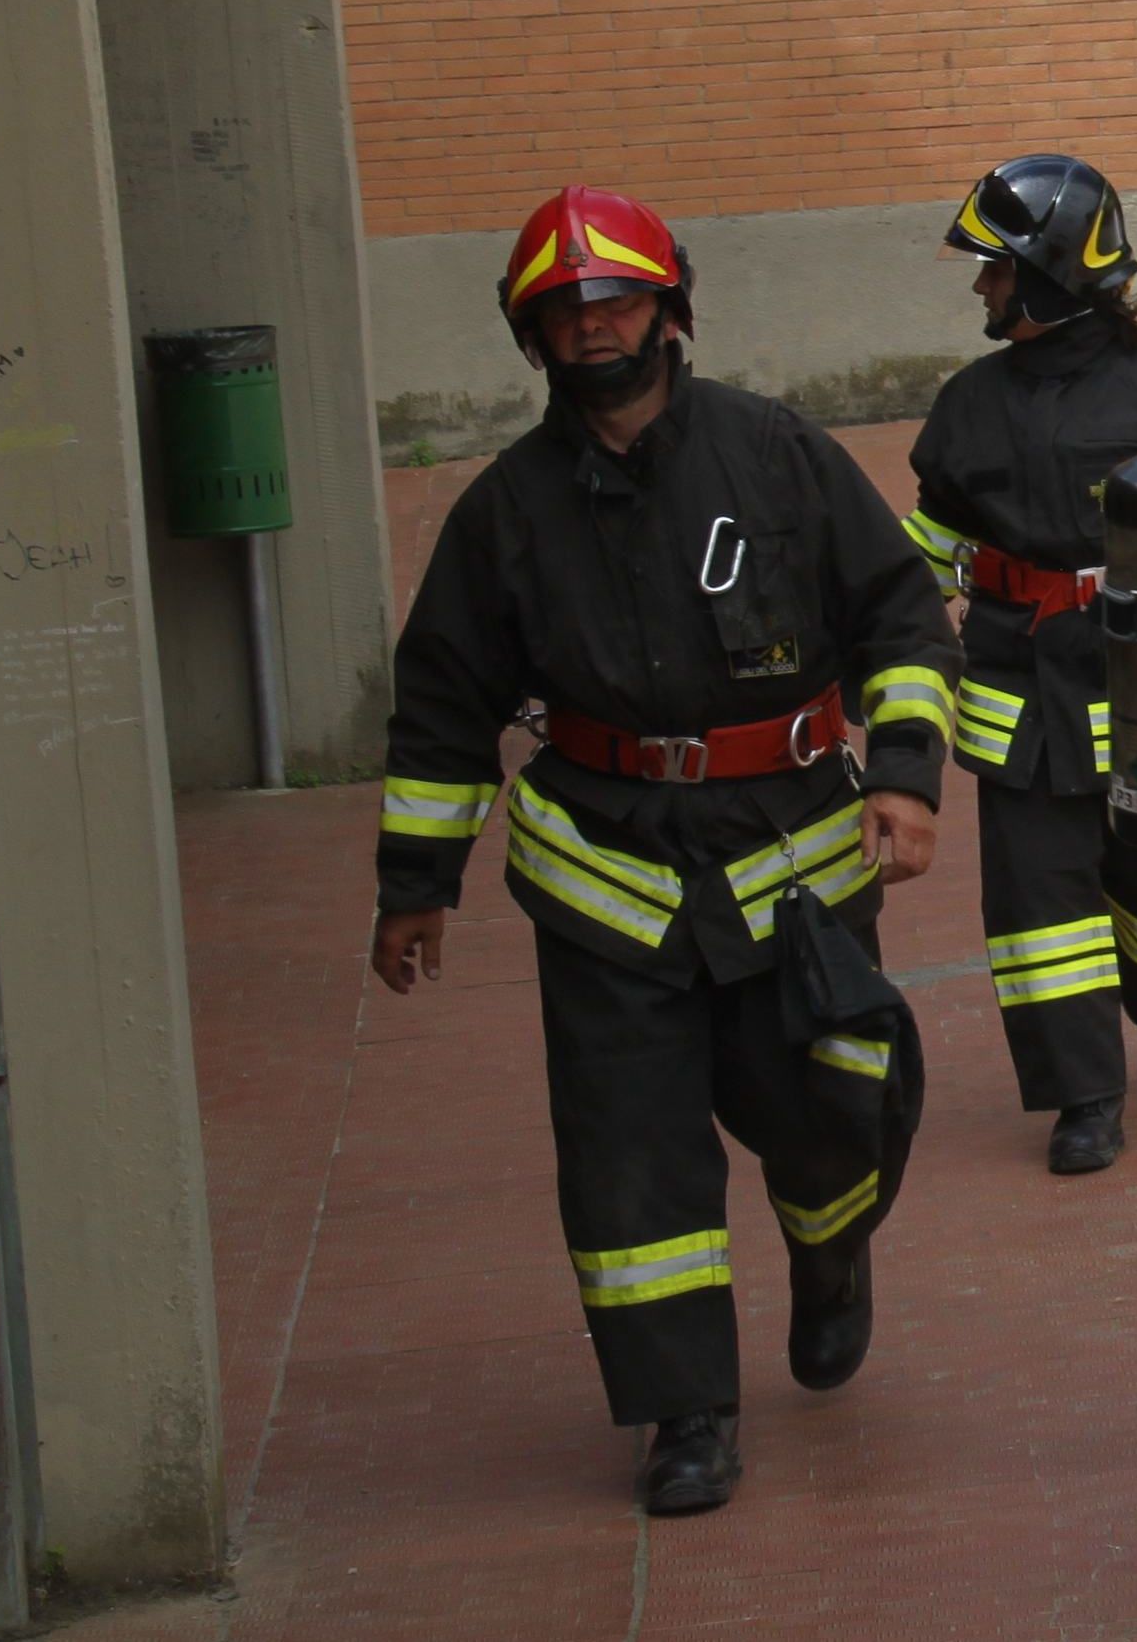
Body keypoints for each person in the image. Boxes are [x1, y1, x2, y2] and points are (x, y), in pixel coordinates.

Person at [366, 186, 955, 1516]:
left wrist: (908, 779)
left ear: (670, 306)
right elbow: (444, 704)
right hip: (605, 881)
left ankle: (831, 1250)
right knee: (633, 1159)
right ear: (532, 338)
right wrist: (417, 890)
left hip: (795, 861)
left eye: (616, 302)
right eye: (564, 314)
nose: (594, 332)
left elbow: (905, 622)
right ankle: (684, 1413)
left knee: (830, 1117)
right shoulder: (504, 512)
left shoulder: (778, 454)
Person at [903, 155, 1137, 1172]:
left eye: (997, 269)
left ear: (1051, 269)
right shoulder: (967, 404)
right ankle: (1083, 1095)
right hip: (1018, 693)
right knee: (1036, 909)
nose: (981, 286)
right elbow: (924, 548)